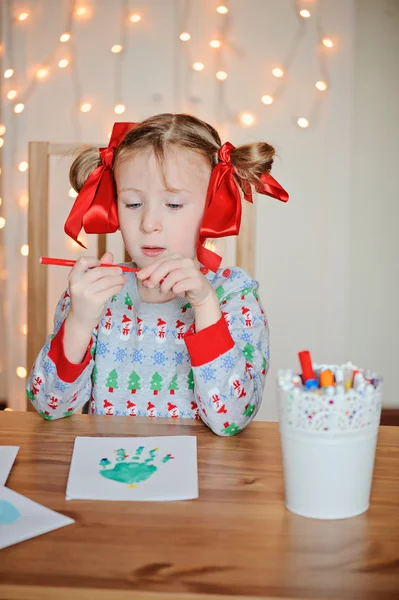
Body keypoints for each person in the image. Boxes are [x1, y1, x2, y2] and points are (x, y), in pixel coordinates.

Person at [27, 113, 288, 436]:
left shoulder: (234, 294)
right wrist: (79, 322)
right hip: (110, 468)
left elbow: (231, 419)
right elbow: (49, 407)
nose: (149, 222)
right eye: (133, 203)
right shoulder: (93, 294)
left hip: (202, 477)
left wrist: (205, 306)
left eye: (174, 205)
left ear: (211, 207)